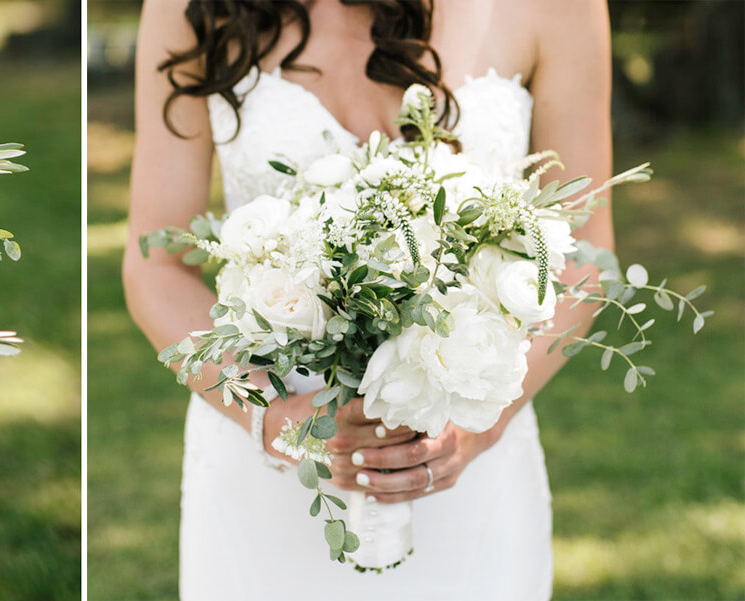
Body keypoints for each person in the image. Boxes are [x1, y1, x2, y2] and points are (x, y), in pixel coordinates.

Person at [124, 0, 614, 598]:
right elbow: (157, 267)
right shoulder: (191, 9)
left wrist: (474, 430)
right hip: (263, 461)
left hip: (466, 466)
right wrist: (274, 419)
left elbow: (586, 263)